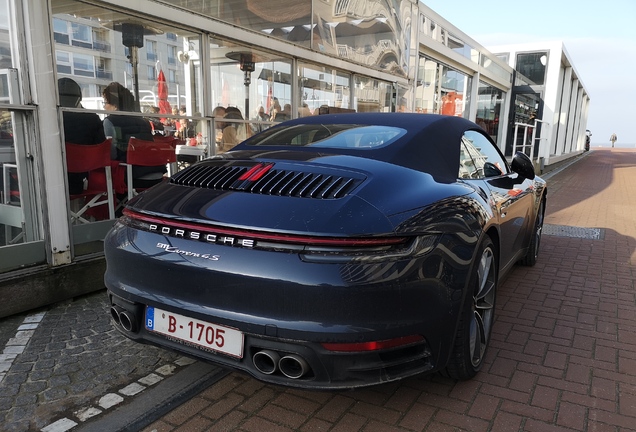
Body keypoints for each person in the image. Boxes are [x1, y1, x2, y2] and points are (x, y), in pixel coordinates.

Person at [102, 82, 165, 189]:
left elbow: (112, 154)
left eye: (105, 102)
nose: (104, 106)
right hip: (157, 172)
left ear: (115, 106)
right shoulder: (143, 121)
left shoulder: (110, 122)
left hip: (134, 177)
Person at [58, 78, 106, 195]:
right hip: (83, 179)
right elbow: (102, 149)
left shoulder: (50, 119)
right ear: (79, 97)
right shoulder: (92, 118)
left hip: (54, 182)